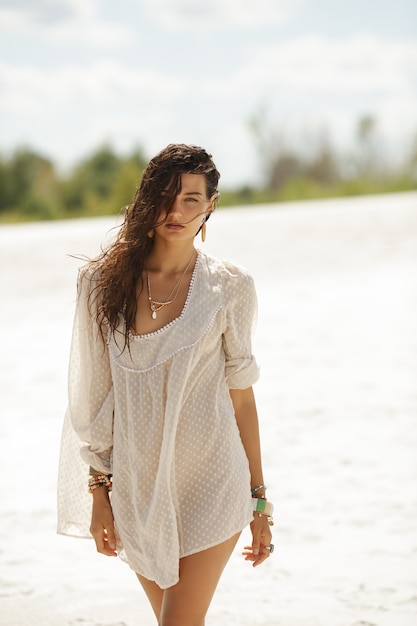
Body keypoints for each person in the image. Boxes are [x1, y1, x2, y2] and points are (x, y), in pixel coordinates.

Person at [57, 143, 273, 625]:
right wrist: (99, 494)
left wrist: (260, 500)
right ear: (146, 199)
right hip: (138, 491)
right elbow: (93, 400)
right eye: (166, 196)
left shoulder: (230, 287)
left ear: (210, 205)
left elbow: (241, 397)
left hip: (213, 482)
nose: (176, 211)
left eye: (192, 199)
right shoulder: (100, 283)